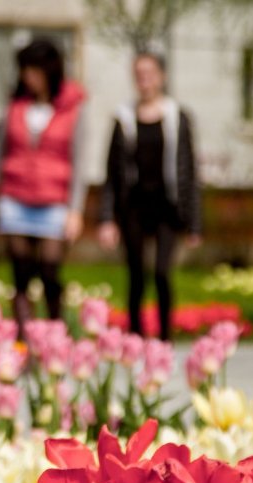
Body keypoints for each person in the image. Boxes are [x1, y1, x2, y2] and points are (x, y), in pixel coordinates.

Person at [0, 38, 87, 339]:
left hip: (54, 201)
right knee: (21, 274)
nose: (28, 78)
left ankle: (54, 336)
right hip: (15, 198)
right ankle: (25, 341)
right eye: (24, 71)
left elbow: (80, 162)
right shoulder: (15, 107)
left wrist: (75, 210)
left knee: (49, 271)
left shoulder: (72, 108)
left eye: (34, 71)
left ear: (50, 71)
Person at [97, 52, 202, 341]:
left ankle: (164, 337)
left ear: (162, 76)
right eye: (139, 73)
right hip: (133, 206)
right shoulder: (124, 118)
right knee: (136, 274)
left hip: (167, 206)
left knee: (161, 271)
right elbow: (112, 173)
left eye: (150, 73)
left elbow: (189, 171)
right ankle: (135, 337)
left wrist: (194, 223)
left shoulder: (176, 117)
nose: (145, 79)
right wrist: (107, 218)